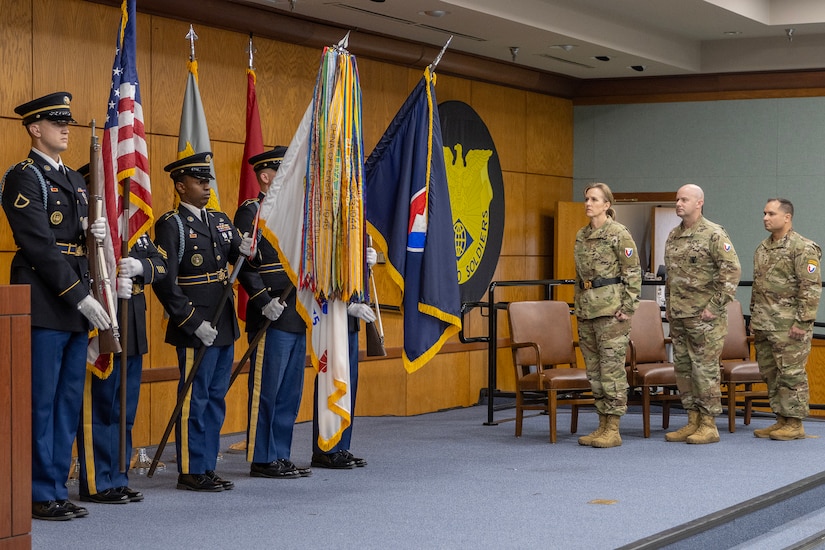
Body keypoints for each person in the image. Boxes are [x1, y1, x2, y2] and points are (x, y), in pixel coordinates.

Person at [2, 92, 111, 520]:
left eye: (67, 122)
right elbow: (39, 246)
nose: (66, 128)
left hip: (72, 302)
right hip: (46, 300)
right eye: (55, 122)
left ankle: (54, 485)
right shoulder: (23, 177)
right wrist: (82, 297)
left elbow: (73, 243)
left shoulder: (76, 180)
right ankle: (35, 490)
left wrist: (93, 232)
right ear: (34, 129)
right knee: (40, 401)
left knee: (67, 400)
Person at [152, 151, 249, 492]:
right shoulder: (171, 224)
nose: (206, 186)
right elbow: (164, 281)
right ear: (180, 186)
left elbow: (241, 255)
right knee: (196, 398)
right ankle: (190, 470)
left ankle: (206, 465)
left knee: (216, 396)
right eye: (198, 181)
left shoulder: (220, 219)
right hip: (196, 324)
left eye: (207, 180)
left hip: (222, 321)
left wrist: (248, 247)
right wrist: (191, 321)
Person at [76, 159, 167, 504]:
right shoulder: (88, 228)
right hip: (101, 323)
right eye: (107, 190)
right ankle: (97, 481)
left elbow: (163, 264)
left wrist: (141, 266)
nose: (116, 197)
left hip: (133, 326)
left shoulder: (133, 230)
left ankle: (118, 475)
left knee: (123, 411)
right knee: (100, 408)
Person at [235, 146, 311, 479]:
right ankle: (262, 457)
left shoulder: (296, 214)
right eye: (282, 171)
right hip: (270, 312)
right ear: (265, 176)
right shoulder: (251, 212)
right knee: (267, 388)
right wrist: (263, 298)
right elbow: (245, 264)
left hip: (296, 312)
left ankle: (280, 453)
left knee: (289, 390)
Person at [664, 183, 741, 444]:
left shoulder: (713, 234)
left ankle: (708, 424)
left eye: (684, 199)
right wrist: (670, 310)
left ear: (699, 203)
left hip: (705, 317)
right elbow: (671, 279)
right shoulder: (674, 235)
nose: (678, 203)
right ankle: (692, 420)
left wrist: (715, 307)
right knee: (683, 369)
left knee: (704, 370)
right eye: (677, 199)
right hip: (679, 316)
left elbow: (731, 271)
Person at [573, 183, 641, 448]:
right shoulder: (581, 235)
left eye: (594, 199)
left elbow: (632, 272)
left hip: (612, 311)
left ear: (607, 205)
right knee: (594, 370)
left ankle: (613, 427)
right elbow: (580, 276)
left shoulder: (618, 234)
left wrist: (629, 306)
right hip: (587, 308)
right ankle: (601, 423)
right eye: (586, 198)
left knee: (611, 370)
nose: (588, 203)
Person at [750, 198, 821, 440]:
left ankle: (795, 423)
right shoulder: (762, 248)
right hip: (764, 324)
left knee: (791, 374)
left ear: (787, 217)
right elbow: (758, 288)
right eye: (764, 213)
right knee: (771, 373)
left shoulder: (803, 248)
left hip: (789, 327)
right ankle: (781, 419)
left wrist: (802, 322)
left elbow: (810, 289)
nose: (765, 218)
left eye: (771, 213)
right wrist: (754, 318)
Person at [310, 252, 377, 468]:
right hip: (332, 316)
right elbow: (322, 270)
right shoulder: (327, 226)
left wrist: (366, 266)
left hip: (350, 319)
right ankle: (325, 448)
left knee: (348, 382)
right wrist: (347, 306)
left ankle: (341, 446)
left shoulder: (356, 228)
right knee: (330, 380)